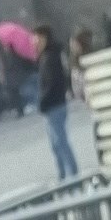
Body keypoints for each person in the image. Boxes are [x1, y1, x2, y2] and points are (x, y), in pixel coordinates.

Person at [41, 31, 81, 182]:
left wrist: (43, 101)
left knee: (61, 142)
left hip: (54, 105)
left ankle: (71, 174)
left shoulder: (50, 58)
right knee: (56, 144)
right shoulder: (47, 57)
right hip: (53, 104)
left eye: (37, 38)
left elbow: (52, 83)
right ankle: (63, 173)